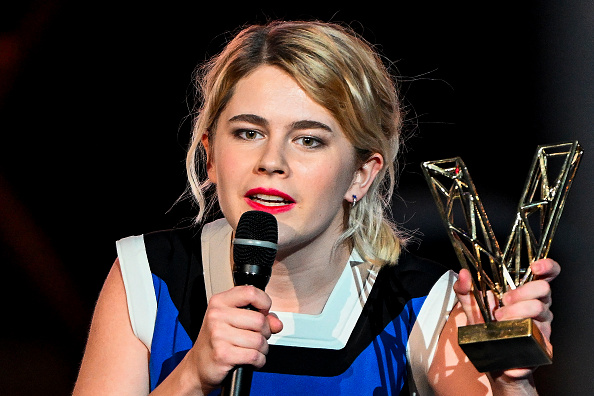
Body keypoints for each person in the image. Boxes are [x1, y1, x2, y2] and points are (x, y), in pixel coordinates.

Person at [72, 20, 559, 395]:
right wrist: (192, 377)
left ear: (361, 174)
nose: (271, 162)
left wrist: (511, 380)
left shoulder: (421, 302)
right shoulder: (146, 278)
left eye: (308, 140)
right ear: (210, 157)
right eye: (248, 133)